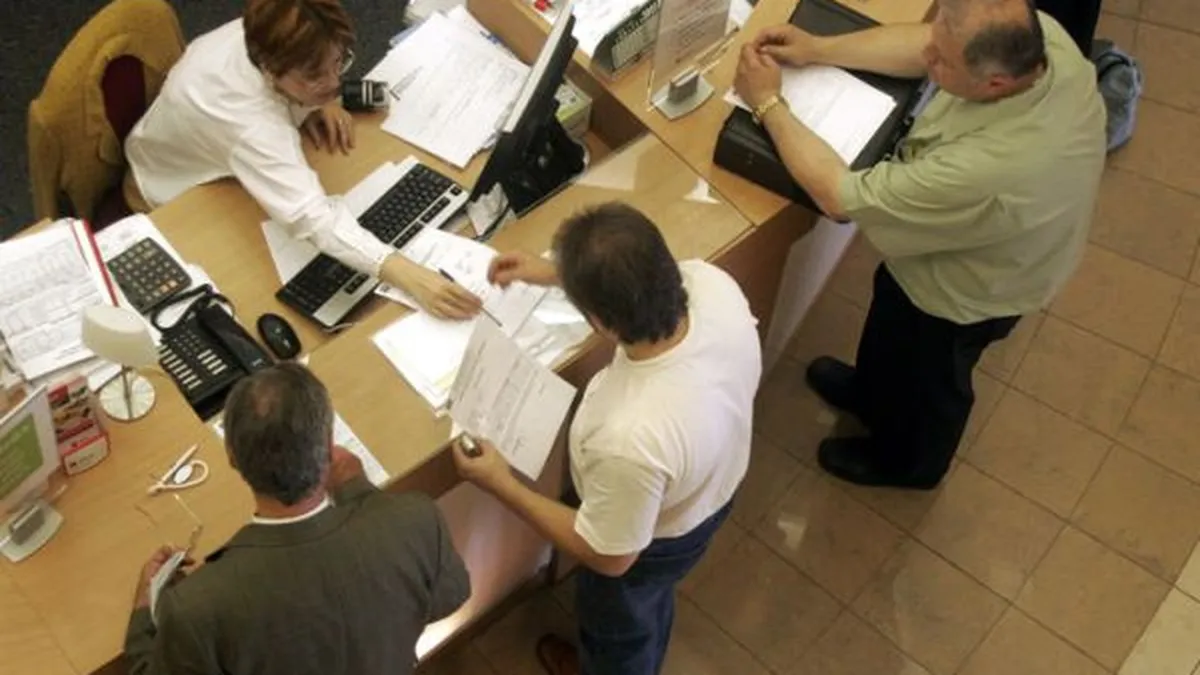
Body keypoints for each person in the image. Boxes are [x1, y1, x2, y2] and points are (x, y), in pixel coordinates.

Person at [733, 0, 1105, 489]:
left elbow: (840, 197)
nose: (929, 57)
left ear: (994, 84)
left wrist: (767, 103)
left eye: (942, 63)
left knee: (934, 374)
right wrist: (819, 49)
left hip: (975, 289)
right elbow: (922, 44)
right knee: (894, 318)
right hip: (932, 259)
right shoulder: (1038, 40)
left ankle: (909, 462)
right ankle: (871, 392)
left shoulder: (988, 168)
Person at [452, 202, 762, 675]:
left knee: (620, 624)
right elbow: (643, 278)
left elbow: (611, 556)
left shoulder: (627, 435)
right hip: (714, 482)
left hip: (654, 538)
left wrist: (501, 483)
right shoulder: (709, 283)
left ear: (601, 322)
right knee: (649, 601)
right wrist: (560, 273)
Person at [123, 0, 481, 320]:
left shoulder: (272, 29)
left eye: (339, 62)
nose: (334, 82)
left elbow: (312, 67)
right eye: (314, 75)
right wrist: (410, 275)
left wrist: (319, 98)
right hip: (178, 191)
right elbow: (312, 219)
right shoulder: (249, 125)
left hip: (212, 143)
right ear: (269, 69)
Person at [124, 363, 470, 675]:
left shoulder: (196, 608)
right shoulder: (416, 519)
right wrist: (358, 492)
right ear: (329, 444)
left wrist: (144, 609)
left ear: (231, 455)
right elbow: (450, 596)